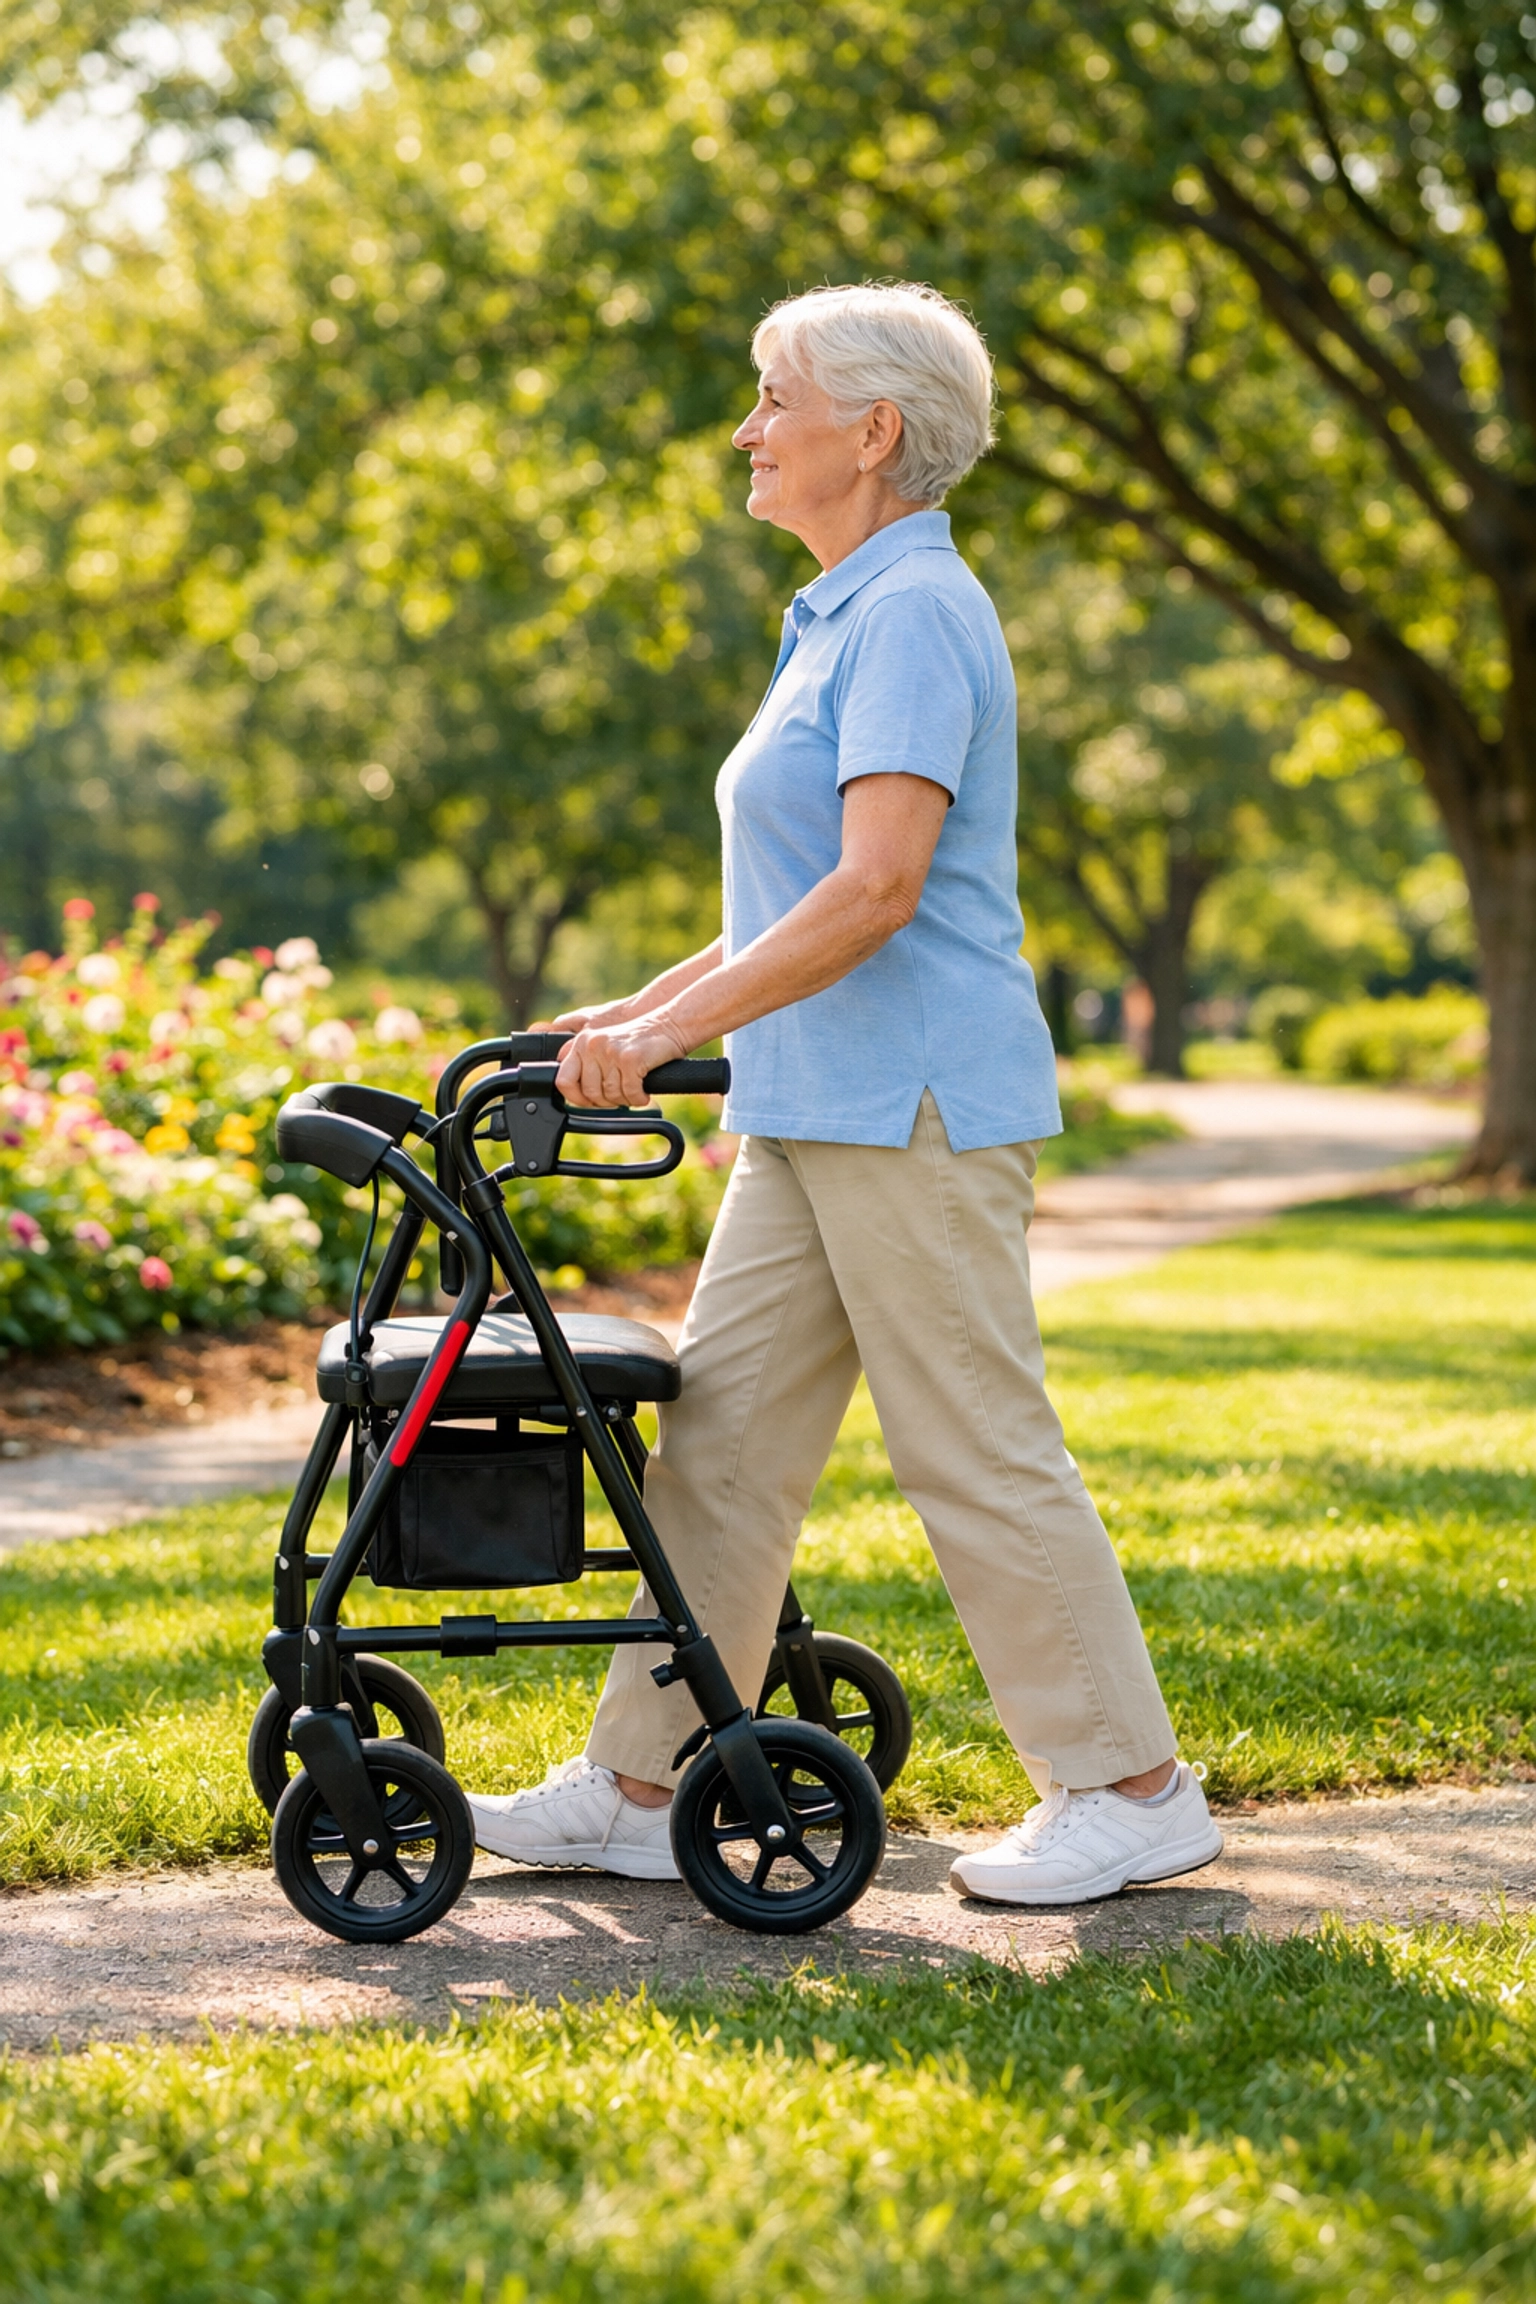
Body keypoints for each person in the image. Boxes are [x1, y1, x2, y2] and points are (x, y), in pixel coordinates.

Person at [467, 281, 1222, 1906]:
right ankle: (638, 1777)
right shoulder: (839, 614)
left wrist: (675, 1036)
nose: (748, 430)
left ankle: (1129, 1785)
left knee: (974, 1445)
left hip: (921, 1105)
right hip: (817, 1109)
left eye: (772, 400)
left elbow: (879, 890)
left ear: (872, 434)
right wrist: (648, 1006)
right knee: (724, 1447)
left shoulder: (916, 614)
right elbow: (796, 893)